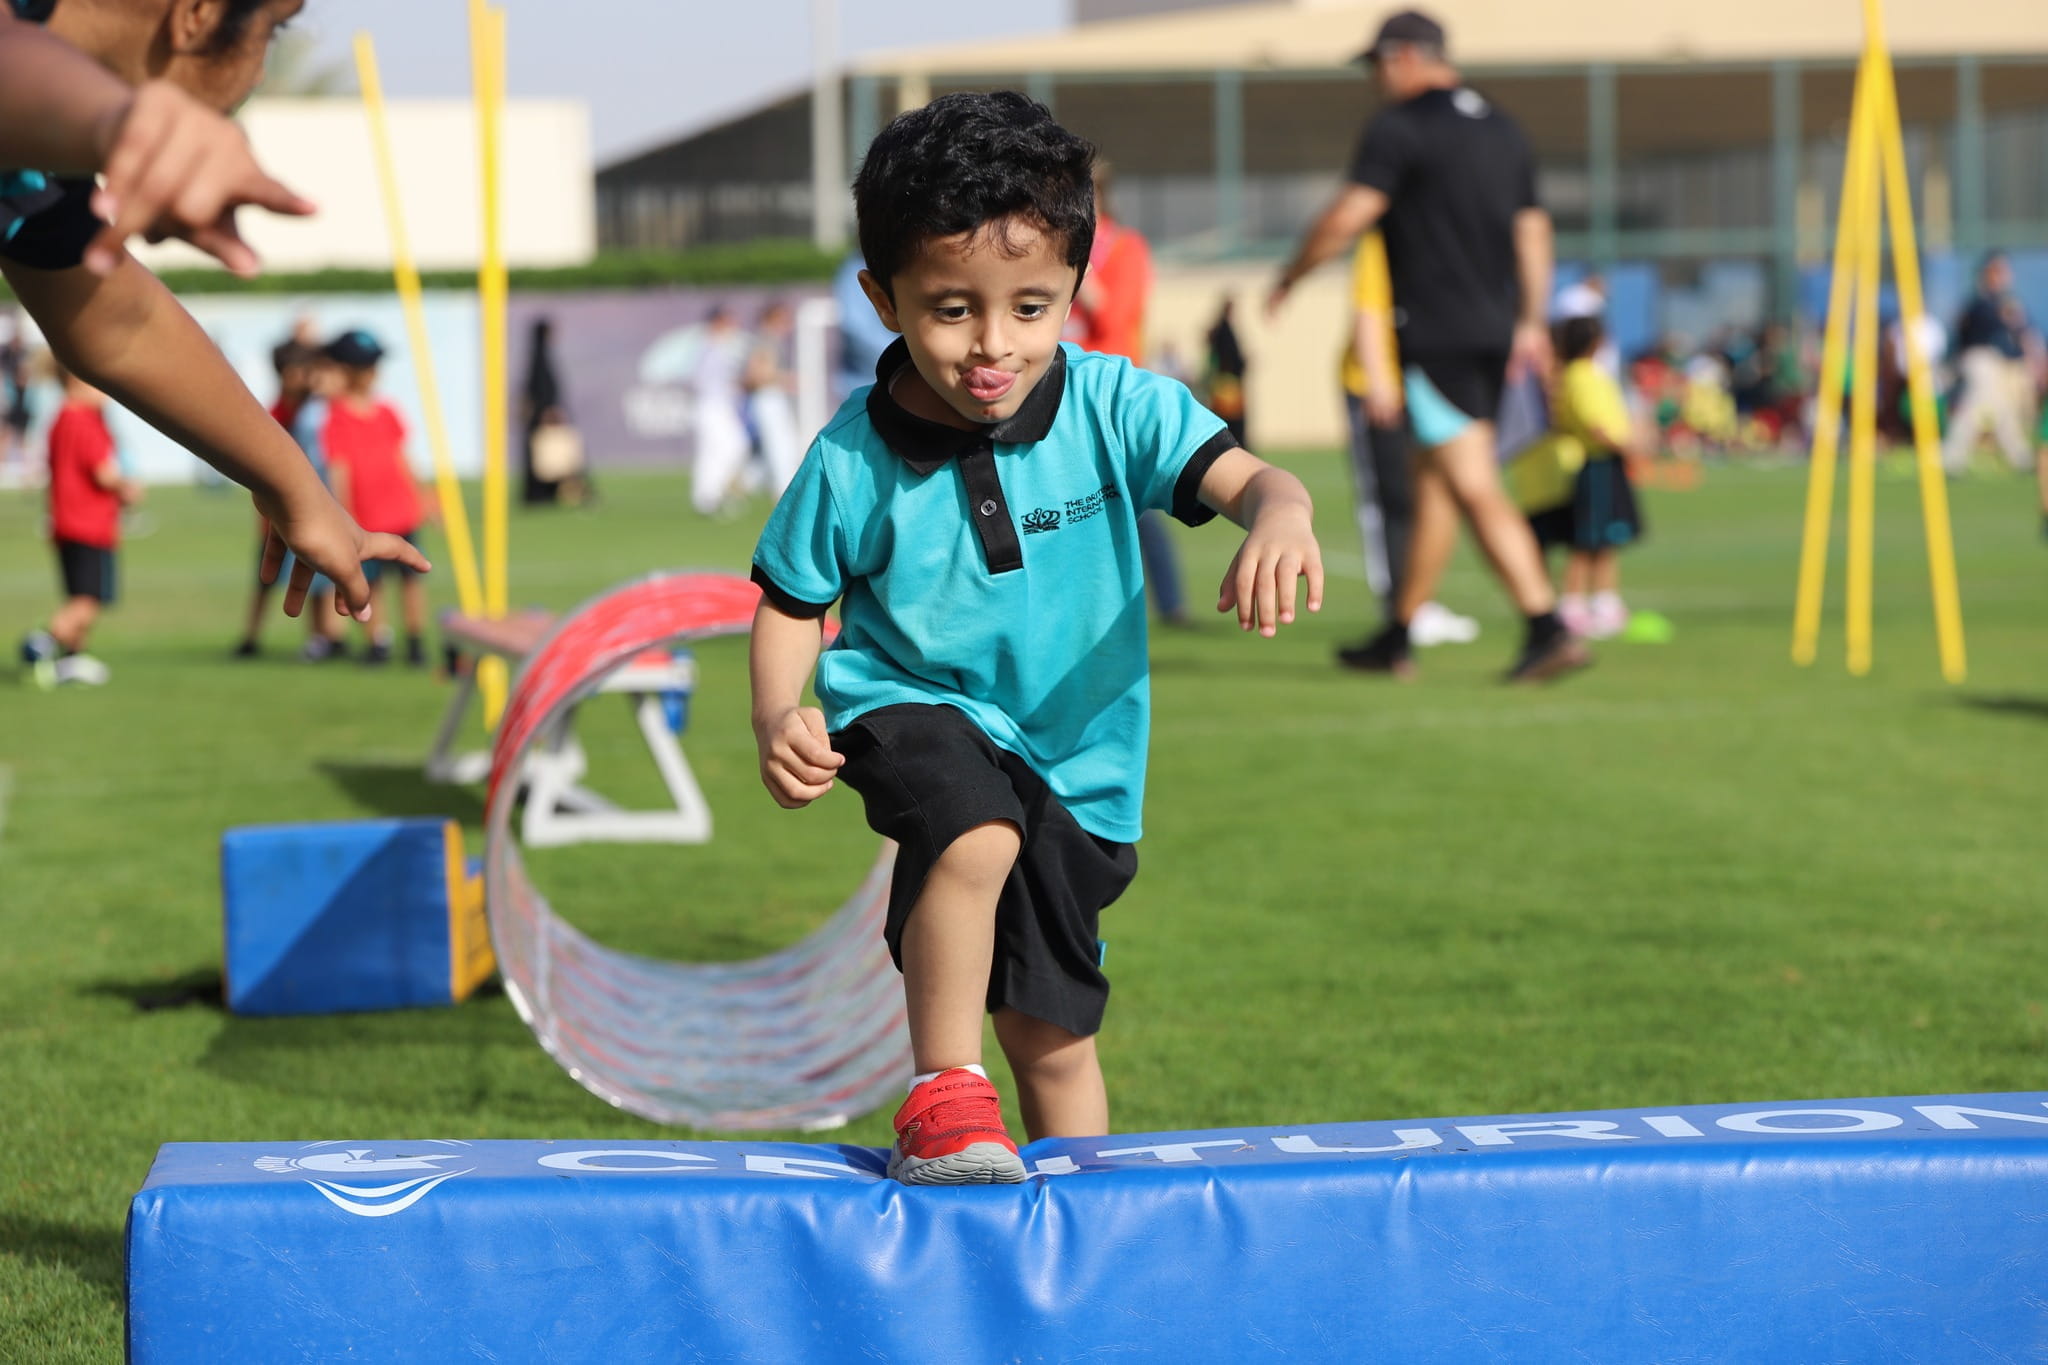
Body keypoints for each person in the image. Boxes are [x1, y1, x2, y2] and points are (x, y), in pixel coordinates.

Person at [749, 91, 1323, 1184]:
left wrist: (1282, 516)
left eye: (1029, 307)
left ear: (1074, 288)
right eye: (950, 308)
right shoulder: (849, 456)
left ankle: (1086, 1223)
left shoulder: (1117, 405)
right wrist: (779, 709)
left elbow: (1254, 481)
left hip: (1079, 761)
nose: (991, 345)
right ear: (882, 298)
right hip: (911, 699)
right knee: (972, 833)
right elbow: (789, 600)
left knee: (1053, 1038)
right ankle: (943, 1096)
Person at [0, 1, 428, 618]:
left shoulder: (33, 167)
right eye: (273, 29)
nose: (260, 73)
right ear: (197, 14)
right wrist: (127, 123)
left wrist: (297, 489)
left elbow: (119, 327)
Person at [1268, 8, 1584, 683]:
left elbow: (1350, 214)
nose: (1376, 79)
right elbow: (1533, 231)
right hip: (1492, 332)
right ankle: (1398, 634)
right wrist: (1530, 320)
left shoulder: (1401, 126)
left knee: (1470, 481)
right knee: (1433, 483)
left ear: (1407, 56)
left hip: (1436, 336)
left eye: (1379, 64)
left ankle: (1546, 623)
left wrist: (1291, 275)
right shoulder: (1502, 127)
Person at [1340, 230, 1478, 649]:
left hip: (1419, 386)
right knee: (1388, 502)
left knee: (1428, 497)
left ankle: (1417, 604)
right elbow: (1368, 309)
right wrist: (1378, 380)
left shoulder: (1436, 238)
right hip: (1375, 388)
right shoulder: (1383, 238)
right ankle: (1399, 608)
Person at [1068, 160, 1190, 627]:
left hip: (1108, 392)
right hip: (1058, 387)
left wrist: (1077, 268)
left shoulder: (1125, 248)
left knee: (1129, 503)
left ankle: (1169, 604)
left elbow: (1114, 319)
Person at [1510, 316, 1645, 640]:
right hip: (1595, 463)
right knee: (1586, 540)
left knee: (1605, 539)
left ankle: (1603, 602)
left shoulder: (1579, 376)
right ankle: (1573, 605)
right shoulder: (1581, 377)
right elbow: (1594, 424)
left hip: (1595, 463)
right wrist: (1627, 445)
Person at [19, 367, 139, 687]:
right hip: (88, 524)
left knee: (78, 594)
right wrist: (127, 489)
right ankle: (40, 645)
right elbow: (103, 473)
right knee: (88, 600)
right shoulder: (84, 420)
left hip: (65, 521)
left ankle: (72, 659)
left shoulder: (59, 419)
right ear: (77, 381)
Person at [320, 330, 431, 667]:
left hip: (401, 512)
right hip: (366, 518)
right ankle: (378, 641)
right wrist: (343, 514)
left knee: (411, 579)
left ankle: (416, 641)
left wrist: (424, 497)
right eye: (366, 367)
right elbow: (339, 469)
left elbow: (403, 458)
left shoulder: (386, 411)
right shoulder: (337, 417)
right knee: (372, 584)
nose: (373, 373)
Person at [232, 338, 343, 659]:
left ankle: (324, 636)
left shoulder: (313, 411)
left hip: (307, 511)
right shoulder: (277, 414)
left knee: (315, 575)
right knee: (267, 576)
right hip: (278, 514)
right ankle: (251, 637)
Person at [1942, 252, 2034, 476]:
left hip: (1992, 361)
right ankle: (1952, 459)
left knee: (2002, 410)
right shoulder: (1982, 303)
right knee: (1974, 410)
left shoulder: (1998, 302)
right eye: (2000, 271)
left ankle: (2020, 457)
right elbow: (1990, 334)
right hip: (1980, 360)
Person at [688, 306, 752, 516]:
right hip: (712, 404)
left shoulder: (718, 347)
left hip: (720, 404)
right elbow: (703, 380)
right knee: (731, 447)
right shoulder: (710, 347)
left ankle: (708, 495)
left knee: (720, 449)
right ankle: (709, 495)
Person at [744, 299, 804, 500]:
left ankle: (743, 486)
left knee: (782, 447)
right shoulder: (765, 340)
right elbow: (756, 375)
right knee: (779, 448)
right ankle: (784, 493)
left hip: (772, 398)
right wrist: (786, 379)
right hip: (767, 398)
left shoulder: (768, 340)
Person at [1203, 295, 1249, 448]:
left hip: (1224, 382)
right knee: (1232, 422)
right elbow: (1230, 357)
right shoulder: (1225, 331)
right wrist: (1243, 363)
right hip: (1227, 383)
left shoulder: (1220, 329)